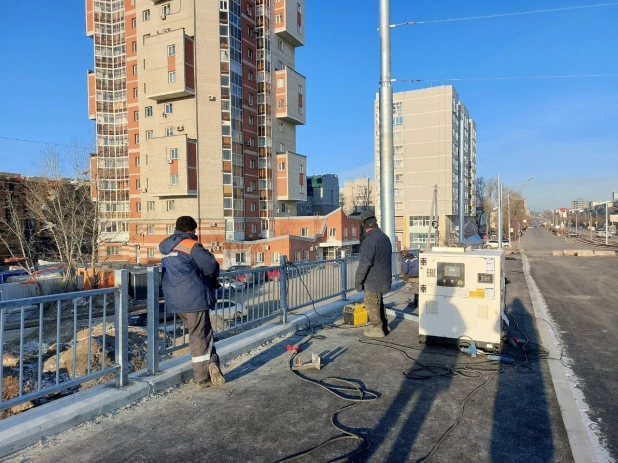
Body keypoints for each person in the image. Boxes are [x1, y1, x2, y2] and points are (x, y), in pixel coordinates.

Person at [159, 216, 225, 389]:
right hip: (194, 297)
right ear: (190, 230)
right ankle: (202, 377)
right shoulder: (191, 246)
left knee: (202, 333)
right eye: (194, 230)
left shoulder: (166, 246)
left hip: (176, 299)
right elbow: (211, 267)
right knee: (198, 335)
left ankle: (212, 363)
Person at [355, 211, 392, 338]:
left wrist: (358, 281)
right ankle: (384, 325)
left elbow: (364, 263)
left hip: (373, 279)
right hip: (383, 277)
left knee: (371, 303)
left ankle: (377, 328)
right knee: (378, 302)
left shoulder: (370, 240)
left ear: (364, 224)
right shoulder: (384, 237)